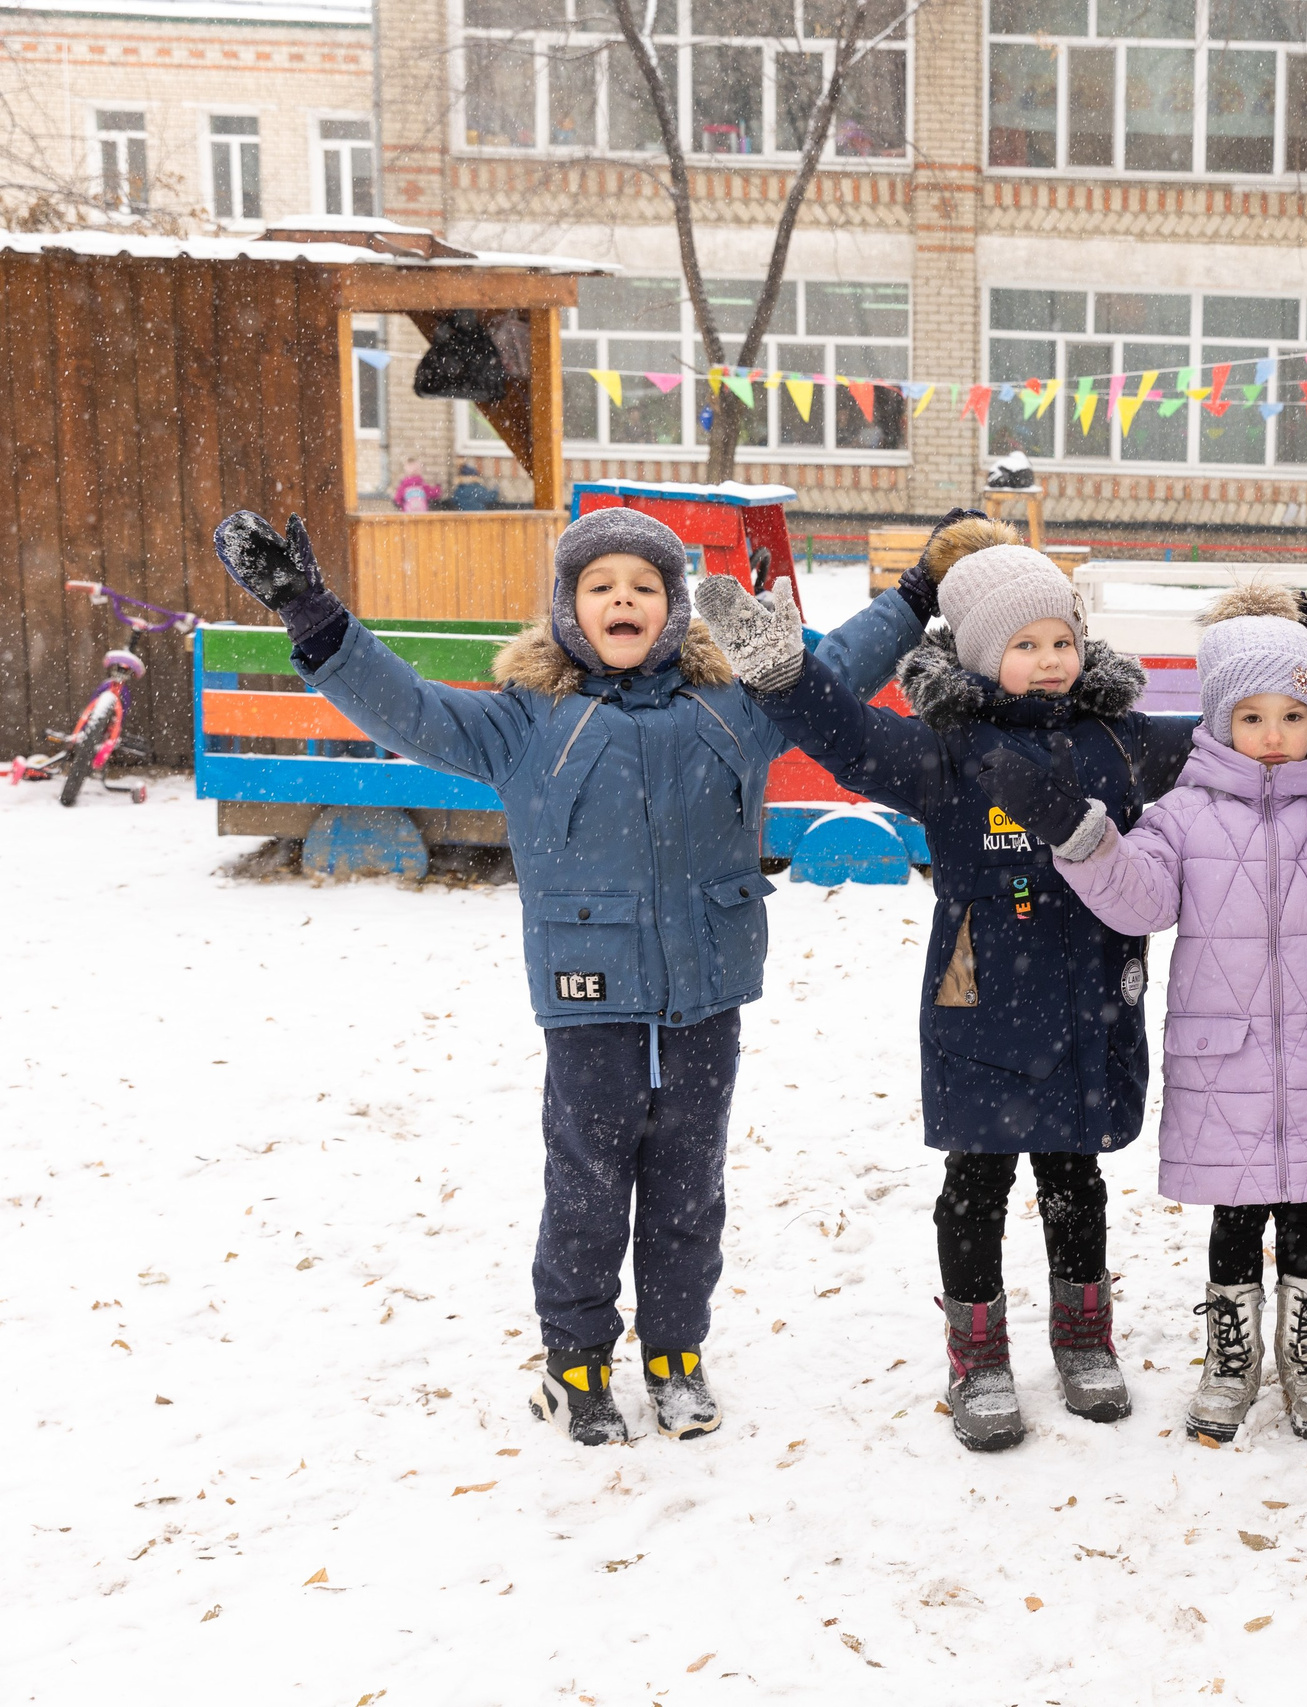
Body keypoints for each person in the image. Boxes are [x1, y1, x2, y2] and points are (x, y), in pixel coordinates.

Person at [208, 505, 932, 1447]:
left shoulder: (738, 704)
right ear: (568, 607)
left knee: (689, 1182)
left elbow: (834, 667)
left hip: (706, 992)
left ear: (673, 607)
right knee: (589, 1182)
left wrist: (919, 593)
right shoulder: (525, 723)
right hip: (589, 997)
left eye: (644, 584)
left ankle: (676, 1354)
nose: (623, 598)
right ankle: (577, 1362)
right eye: (601, 586)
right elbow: (408, 707)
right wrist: (314, 616)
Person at [694, 520, 1202, 1452]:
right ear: (978, 652)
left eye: (1062, 640)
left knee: (1074, 1179)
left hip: (1088, 993)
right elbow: (845, 738)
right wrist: (782, 672)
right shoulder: (945, 750)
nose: (1049, 660)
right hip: (982, 1003)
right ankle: (979, 1355)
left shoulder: (1119, 743)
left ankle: (1085, 1337)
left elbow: (1235, 738)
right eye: (1025, 644)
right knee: (975, 1184)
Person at [997, 587, 1307, 1441]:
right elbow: (1139, 899)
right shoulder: (1184, 814)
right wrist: (1076, 833)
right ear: (1219, 722)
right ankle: (1230, 1351)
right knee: (1235, 1220)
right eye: (1254, 715)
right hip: (1223, 1059)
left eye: (1295, 715)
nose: (1275, 735)